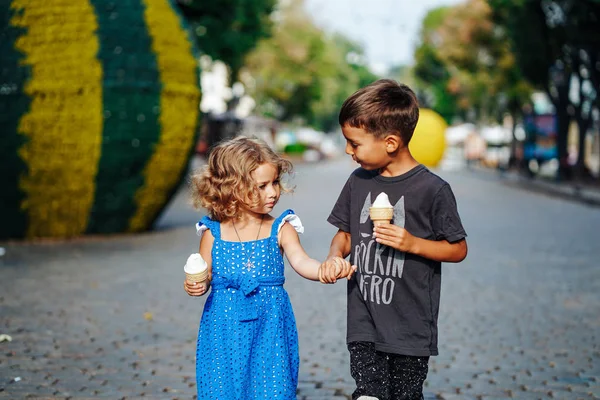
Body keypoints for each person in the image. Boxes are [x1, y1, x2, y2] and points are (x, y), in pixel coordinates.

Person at [321, 79, 468, 400]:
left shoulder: (433, 190)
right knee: (368, 394)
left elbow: (458, 249)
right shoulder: (358, 181)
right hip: (364, 319)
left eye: (354, 143)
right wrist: (335, 255)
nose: (348, 150)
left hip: (411, 325)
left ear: (390, 142)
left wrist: (412, 243)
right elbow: (344, 233)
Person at [183, 136, 354, 399]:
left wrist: (323, 270)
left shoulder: (281, 227)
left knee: (272, 386)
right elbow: (204, 275)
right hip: (223, 327)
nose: (273, 192)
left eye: (275, 182)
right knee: (222, 387)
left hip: (270, 324)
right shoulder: (213, 233)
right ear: (232, 187)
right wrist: (197, 284)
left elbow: (301, 261)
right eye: (261, 186)